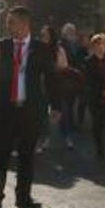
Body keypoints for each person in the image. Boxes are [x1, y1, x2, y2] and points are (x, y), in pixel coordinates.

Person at [0, 7, 47, 208]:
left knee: (26, 155)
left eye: (12, 22)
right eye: (8, 22)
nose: (9, 26)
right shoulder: (2, 46)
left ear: (25, 24)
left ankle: (24, 198)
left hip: (29, 110)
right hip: (4, 109)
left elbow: (51, 77)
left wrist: (55, 105)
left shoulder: (40, 48)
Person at [36, 24, 71, 152]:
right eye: (41, 35)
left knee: (61, 110)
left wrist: (55, 67)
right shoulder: (38, 49)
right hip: (42, 83)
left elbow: (65, 65)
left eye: (45, 35)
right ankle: (46, 139)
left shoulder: (58, 49)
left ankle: (66, 136)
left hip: (56, 83)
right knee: (43, 113)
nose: (42, 37)